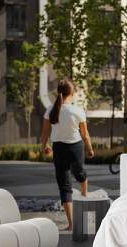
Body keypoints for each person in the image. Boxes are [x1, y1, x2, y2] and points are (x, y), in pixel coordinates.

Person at [41, 79, 94, 231]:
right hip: (76, 148)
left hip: (58, 149)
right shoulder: (77, 110)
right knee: (80, 174)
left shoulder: (50, 109)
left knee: (64, 187)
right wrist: (89, 149)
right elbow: (85, 134)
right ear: (72, 93)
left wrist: (44, 146)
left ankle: (71, 224)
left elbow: (45, 132)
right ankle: (85, 197)